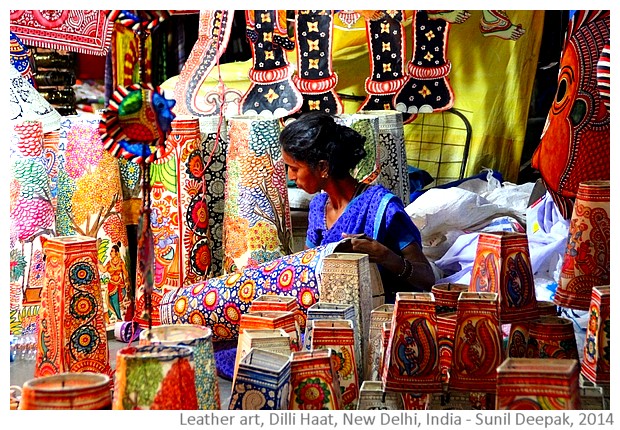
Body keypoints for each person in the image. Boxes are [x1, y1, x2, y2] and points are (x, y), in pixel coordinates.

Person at [279, 111, 435, 303]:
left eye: (294, 168)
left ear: (322, 168)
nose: (291, 177)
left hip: (381, 314)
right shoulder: (318, 208)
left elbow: (427, 278)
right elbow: (306, 271)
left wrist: (384, 256)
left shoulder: (382, 207)